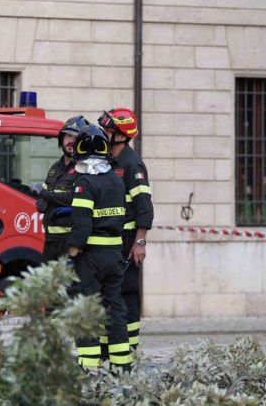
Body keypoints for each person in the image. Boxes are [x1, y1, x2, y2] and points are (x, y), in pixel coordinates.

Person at [67, 124, 132, 371]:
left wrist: (71, 256)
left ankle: (89, 368)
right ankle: (122, 367)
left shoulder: (84, 183)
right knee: (114, 311)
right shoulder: (116, 181)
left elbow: (81, 227)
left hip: (90, 259)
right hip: (114, 256)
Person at [99, 108, 153, 352]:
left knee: (127, 292)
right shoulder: (107, 160)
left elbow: (144, 205)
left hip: (127, 241)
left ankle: (129, 349)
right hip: (110, 240)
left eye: (108, 130)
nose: (104, 133)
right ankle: (108, 347)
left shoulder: (132, 164)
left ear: (121, 135)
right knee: (109, 293)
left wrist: (139, 241)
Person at [35, 115, 89, 261]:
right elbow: (42, 199)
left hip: (70, 240)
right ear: (61, 139)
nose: (71, 141)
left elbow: (73, 198)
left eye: (76, 137)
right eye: (68, 136)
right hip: (50, 239)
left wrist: (46, 195)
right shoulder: (55, 168)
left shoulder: (84, 168)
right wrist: (42, 201)